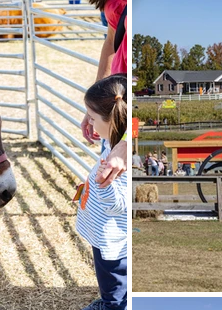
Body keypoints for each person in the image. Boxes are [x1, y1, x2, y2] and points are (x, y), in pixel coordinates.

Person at [70, 74, 127, 310]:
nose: (88, 122)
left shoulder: (122, 166)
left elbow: (120, 203)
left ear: (112, 120)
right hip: (101, 234)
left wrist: (104, 187)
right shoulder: (110, 142)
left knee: (115, 297)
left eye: (92, 117)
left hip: (112, 243)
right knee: (110, 289)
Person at [80, 0, 127, 188]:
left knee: (113, 183)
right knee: (105, 175)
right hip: (114, 98)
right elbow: (111, 39)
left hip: (126, 103)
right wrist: (95, 106)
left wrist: (125, 143)